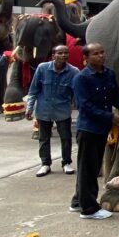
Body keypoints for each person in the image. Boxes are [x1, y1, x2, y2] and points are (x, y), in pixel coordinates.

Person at [70, 43, 119, 220]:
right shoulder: (81, 78)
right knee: (88, 169)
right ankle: (89, 209)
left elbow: (115, 97)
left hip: (102, 129)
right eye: (96, 54)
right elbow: (84, 106)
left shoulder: (109, 74)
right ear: (86, 58)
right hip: (88, 129)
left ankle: (78, 201)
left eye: (102, 52)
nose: (101, 56)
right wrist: (111, 117)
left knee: (90, 167)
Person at [25, 45, 79, 176]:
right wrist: (29, 108)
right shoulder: (42, 68)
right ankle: (45, 164)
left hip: (63, 110)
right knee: (44, 138)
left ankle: (66, 162)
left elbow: (76, 94)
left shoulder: (74, 72)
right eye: (60, 53)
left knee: (65, 137)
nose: (63, 55)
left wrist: (80, 109)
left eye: (66, 53)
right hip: (44, 110)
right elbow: (33, 90)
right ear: (53, 55)